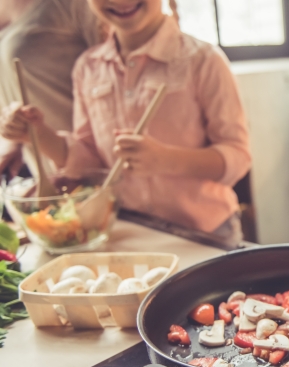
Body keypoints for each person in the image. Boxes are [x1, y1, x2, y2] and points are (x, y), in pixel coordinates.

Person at [0, 0, 251, 242]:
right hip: (129, 230)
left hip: (206, 232)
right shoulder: (87, 68)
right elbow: (89, 160)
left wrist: (165, 159)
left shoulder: (204, 61)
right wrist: (38, 133)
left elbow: (237, 157)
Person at [0, 0, 103, 178]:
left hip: (93, 171)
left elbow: (119, 72)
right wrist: (12, 140)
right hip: (47, 179)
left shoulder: (72, 5)